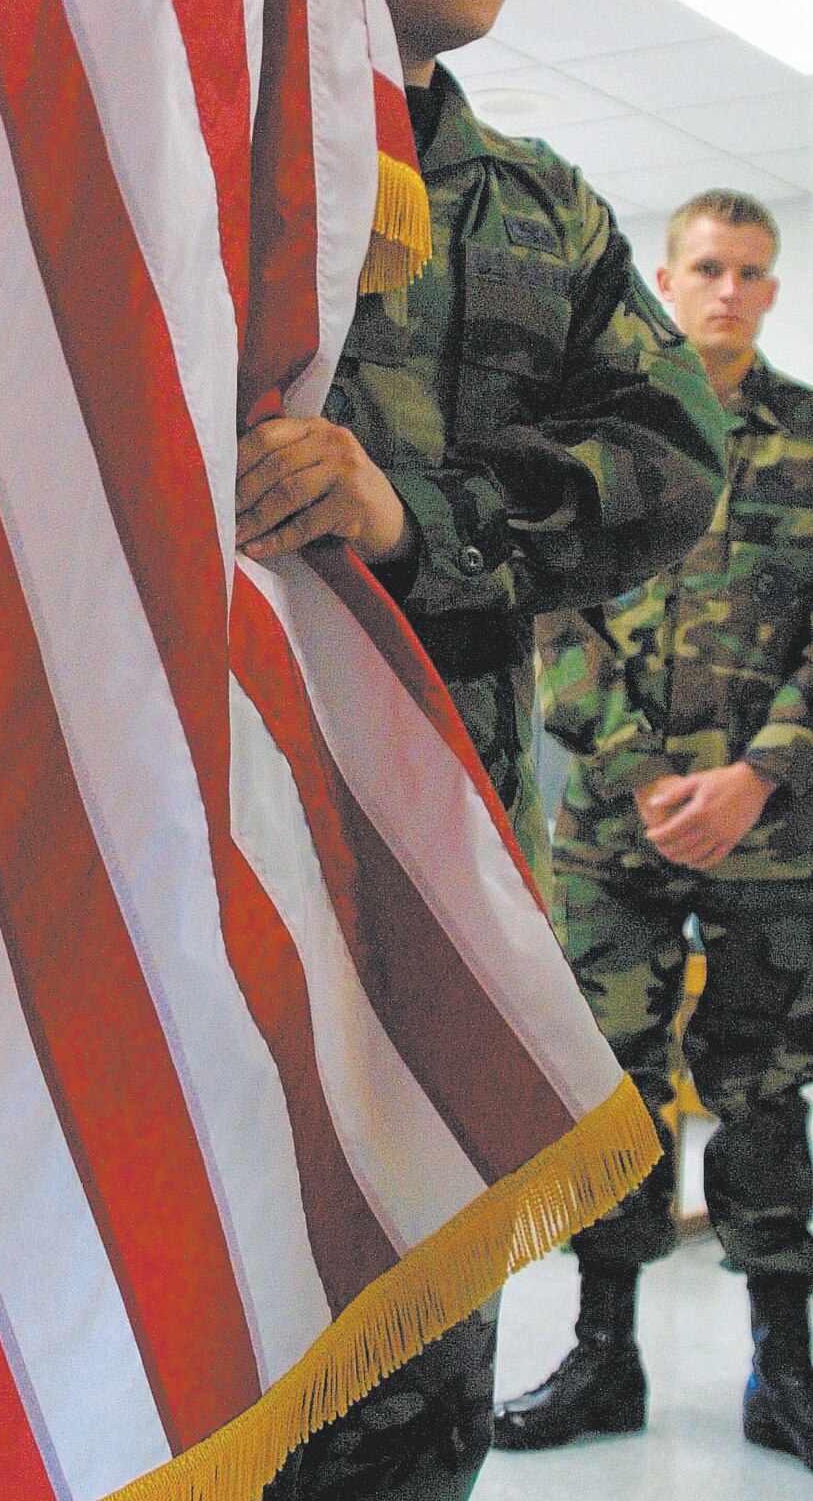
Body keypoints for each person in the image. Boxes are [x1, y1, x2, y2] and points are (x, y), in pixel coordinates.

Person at [238, 0, 730, 1500]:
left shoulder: (535, 206)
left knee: (403, 1378)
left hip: (435, 869)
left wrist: (414, 511)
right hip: (189, 868)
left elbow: (675, 463)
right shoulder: (180, 155)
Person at [493, 190, 813, 1474]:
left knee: (762, 1091)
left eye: (750, 271)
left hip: (776, 832)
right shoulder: (604, 437)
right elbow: (549, 609)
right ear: (666, 282)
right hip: (614, 837)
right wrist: (634, 776)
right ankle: (603, 1352)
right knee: (610, 1097)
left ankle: (782, 1367)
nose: (727, 289)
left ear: (771, 289)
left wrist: (759, 773)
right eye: (706, 268)